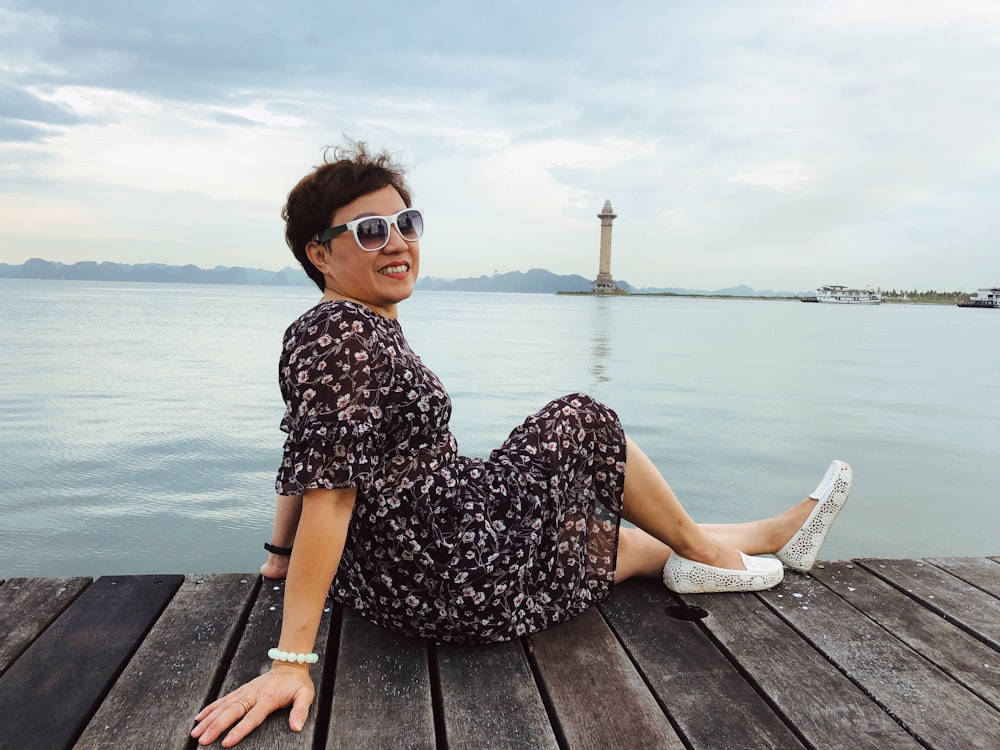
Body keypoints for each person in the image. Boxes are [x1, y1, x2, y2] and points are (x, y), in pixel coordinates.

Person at [192, 142, 852, 748]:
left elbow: (308, 458)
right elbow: (329, 492)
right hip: (446, 568)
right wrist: (290, 661)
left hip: (417, 564)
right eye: (370, 230)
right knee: (583, 419)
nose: (396, 242)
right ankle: (709, 550)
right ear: (320, 253)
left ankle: (767, 537)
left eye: (406, 223)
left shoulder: (352, 326)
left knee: (618, 543)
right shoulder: (339, 332)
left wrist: (279, 556)